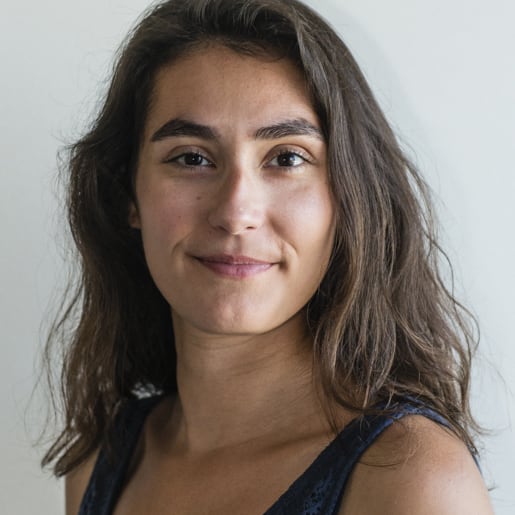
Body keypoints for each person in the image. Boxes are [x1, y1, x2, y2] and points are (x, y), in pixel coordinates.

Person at [42, 0, 493, 513]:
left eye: (287, 158)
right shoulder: (101, 463)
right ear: (129, 194)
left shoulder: (410, 479)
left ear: (349, 195)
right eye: (192, 158)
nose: (236, 212)